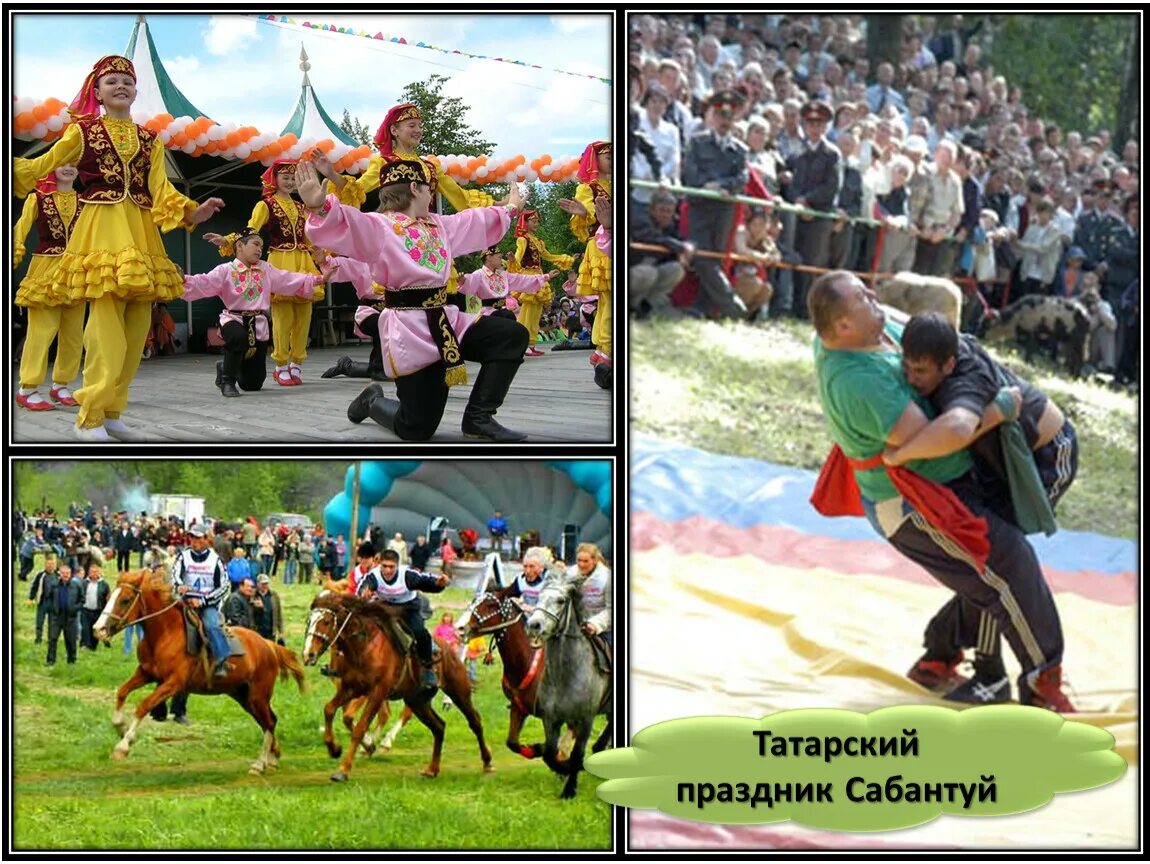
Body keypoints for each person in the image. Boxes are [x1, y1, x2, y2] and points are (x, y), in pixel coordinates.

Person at [807, 271, 1074, 712]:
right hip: (914, 502)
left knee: (993, 574)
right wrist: (996, 411)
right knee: (1006, 565)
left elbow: (941, 417)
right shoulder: (858, 380)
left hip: (946, 483)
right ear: (841, 327)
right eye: (861, 298)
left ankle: (946, 655)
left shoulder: (875, 334)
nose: (873, 297)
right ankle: (1035, 683)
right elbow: (943, 433)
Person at [13, 55, 224, 442]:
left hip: (141, 231)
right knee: (105, 327)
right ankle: (89, 416)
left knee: (137, 325)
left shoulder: (150, 139)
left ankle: (112, 410)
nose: (119, 86)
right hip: (102, 229)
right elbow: (43, 163)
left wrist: (195, 211)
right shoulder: (82, 132)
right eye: (111, 81)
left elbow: (162, 190)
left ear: (135, 89)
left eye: (126, 80)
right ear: (97, 92)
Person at [889, 311, 1079, 702]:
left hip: (1045, 458)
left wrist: (900, 454)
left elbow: (960, 428)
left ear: (948, 364)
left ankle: (990, 673)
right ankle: (943, 651)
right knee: (987, 563)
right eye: (906, 367)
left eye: (921, 371)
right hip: (996, 466)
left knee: (996, 560)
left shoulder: (966, 381)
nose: (911, 379)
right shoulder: (931, 350)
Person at [295, 158, 533, 443]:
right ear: (415, 188)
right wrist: (318, 208)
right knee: (416, 429)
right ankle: (371, 402)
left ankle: (479, 418)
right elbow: (348, 224)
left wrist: (510, 208)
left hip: (447, 321)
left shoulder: (438, 225)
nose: (432, 195)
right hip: (410, 331)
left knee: (510, 335)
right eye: (429, 189)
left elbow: (476, 221)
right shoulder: (380, 227)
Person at [203, 159, 325, 387]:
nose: (289, 182)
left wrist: (323, 257)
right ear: (275, 180)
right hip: (281, 259)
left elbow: (311, 236)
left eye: (292, 178)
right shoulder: (266, 205)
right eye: (285, 178)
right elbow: (251, 230)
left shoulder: (302, 207)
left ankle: (297, 363)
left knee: (304, 316)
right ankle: (280, 365)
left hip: (303, 260)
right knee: (283, 318)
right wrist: (230, 240)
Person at [181, 228, 332, 396]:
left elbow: (287, 279)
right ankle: (227, 380)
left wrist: (319, 279)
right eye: (255, 244)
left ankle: (225, 365)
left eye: (261, 245)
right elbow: (204, 282)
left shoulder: (265, 269)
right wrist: (183, 279)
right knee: (238, 338)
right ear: (239, 246)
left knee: (253, 384)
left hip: (259, 324)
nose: (260, 249)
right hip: (234, 319)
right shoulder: (226, 270)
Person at [14, 164, 85, 412]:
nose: (68, 168)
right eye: (61, 162)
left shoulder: (87, 201)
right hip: (45, 270)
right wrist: (14, 251)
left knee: (74, 335)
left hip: (77, 271)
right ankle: (27, 388)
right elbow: (20, 229)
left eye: (73, 164)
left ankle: (61, 385)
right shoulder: (37, 198)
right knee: (42, 331)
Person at [682, 89, 749, 319]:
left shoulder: (740, 149)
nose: (724, 121)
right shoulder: (697, 142)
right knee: (701, 257)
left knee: (716, 258)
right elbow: (690, 173)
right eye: (721, 115)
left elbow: (742, 178)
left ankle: (703, 309)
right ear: (713, 116)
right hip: (700, 207)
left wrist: (722, 186)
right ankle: (732, 306)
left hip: (724, 210)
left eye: (729, 117)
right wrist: (708, 186)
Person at [357, 549, 450, 689]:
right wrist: (363, 593)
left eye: (391, 567)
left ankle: (427, 669)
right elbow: (362, 587)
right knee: (361, 626)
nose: (388, 571)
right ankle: (351, 660)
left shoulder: (407, 575)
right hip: (385, 608)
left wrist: (439, 583)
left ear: (397, 565)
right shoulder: (374, 576)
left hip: (408, 608)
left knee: (420, 632)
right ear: (380, 565)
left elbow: (425, 580)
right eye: (385, 566)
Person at [782, 100, 841, 318]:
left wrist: (807, 200)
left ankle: (809, 310)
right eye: (810, 124)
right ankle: (796, 306)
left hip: (819, 216)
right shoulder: (800, 155)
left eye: (819, 124)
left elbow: (831, 187)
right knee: (797, 260)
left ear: (825, 127)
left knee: (814, 264)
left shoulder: (831, 154)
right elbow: (793, 183)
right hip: (800, 215)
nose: (814, 129)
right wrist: (798, 199)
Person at [505, 210, 577, 357]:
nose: (536, 224)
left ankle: (530, 344)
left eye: (537, 221)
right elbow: (518, 257)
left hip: (539, 276)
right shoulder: (523, 239)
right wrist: (512, 260)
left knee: (536, 313)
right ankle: (521, 343)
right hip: (530, 277)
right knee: (527, 313)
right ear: (525, 223)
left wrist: (568, 258)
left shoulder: (538, 241)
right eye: (533, 221)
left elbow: (548, 256)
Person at [567, 141, 613, 365]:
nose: (613, 161)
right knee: (610, 297)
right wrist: (585, 212)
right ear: (597, 161)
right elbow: (586, 213)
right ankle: (607, 348)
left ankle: (604, 349)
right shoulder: (588, 187)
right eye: (608, 157)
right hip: (602, 244)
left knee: (611, 298)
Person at [170, 524, 231, 678]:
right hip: (185, 599)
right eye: (191, 537)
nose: (194, 541)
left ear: (206, 539)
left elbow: (224, 586)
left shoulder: (216, 560)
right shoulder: (183, 556)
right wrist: (179, 586)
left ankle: (221, 660)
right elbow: (174, 574)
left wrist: (203, 601)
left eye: (198, 537)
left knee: (210, 625)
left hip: (207, 603)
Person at [628, 188, 692, 318]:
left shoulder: (670, 226)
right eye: (662, 210)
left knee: (676, 269)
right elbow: (651, 237)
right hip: (632, 271)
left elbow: (682, 241)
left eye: (669, 211)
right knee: (647, 273)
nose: (665, 214)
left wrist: (688, 246)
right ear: (651, 209)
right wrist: (677, 245)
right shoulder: (640, 221)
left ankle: (647, 305)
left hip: (651, 272)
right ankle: (630, 306)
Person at [569, 542, 612, 647]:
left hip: (602, 629)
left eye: (586, 561)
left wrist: (595, 624)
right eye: (579, 560)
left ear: (595, 561)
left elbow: (611, 609)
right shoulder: (570, 574)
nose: (581, 564)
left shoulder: (607, 577)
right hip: (575, 628)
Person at [44, 563, 83, 666]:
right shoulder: (54, 585)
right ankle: (50, 660)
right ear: (59, 574)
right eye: (63, 573)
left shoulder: (77, 585)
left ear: (70, 574)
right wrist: (52, 609)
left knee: (70, 641)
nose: (65, 575)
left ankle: (72, 661)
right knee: (52, 639)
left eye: (67, 573)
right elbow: (48, 598)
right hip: (56, 617)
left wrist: (75, 609)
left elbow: (82, 600)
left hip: (71, 618)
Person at [507, 546, 551, 612]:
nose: (527, 571)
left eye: (532, 566)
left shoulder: (550, 580)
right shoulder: (520, 580)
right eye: (525, 566)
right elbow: (509, 596)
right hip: (526, 618)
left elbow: (553, 607)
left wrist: (532, 609)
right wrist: (514, 600)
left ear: (542, 567)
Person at [79, 561, 111, 651]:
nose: (94, 574)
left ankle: (93, 647)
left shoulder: (104, 584)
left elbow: (108, 597)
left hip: (98, 611)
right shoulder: (84, 583)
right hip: (85, 609)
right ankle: (85, 645)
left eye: (96, 572)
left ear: (99, 572)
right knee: (85, 628)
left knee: (95, 630)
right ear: (89, 573)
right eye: (92, 572)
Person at [27, 555, 59, 644]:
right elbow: (34, 586)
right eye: (48, 564)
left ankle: (50, 639)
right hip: (43, 601)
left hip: (54, 603)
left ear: (54, 565)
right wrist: (31, 598)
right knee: (39, 621)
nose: (50, 566)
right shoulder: (40, 575)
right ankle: (38, 639)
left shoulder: (58, 575)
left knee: (52, 623)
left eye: (52, 564)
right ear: (45, 565)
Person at [251, 575, 284, 644]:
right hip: (257, 632)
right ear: (258, 584)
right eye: (263, 584)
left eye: (266, 583)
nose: (265, 586)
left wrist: (281, 632)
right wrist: (254, 606)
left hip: (270, 632)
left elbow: (279, 614)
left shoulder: (274, 595)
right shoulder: (252, 595)